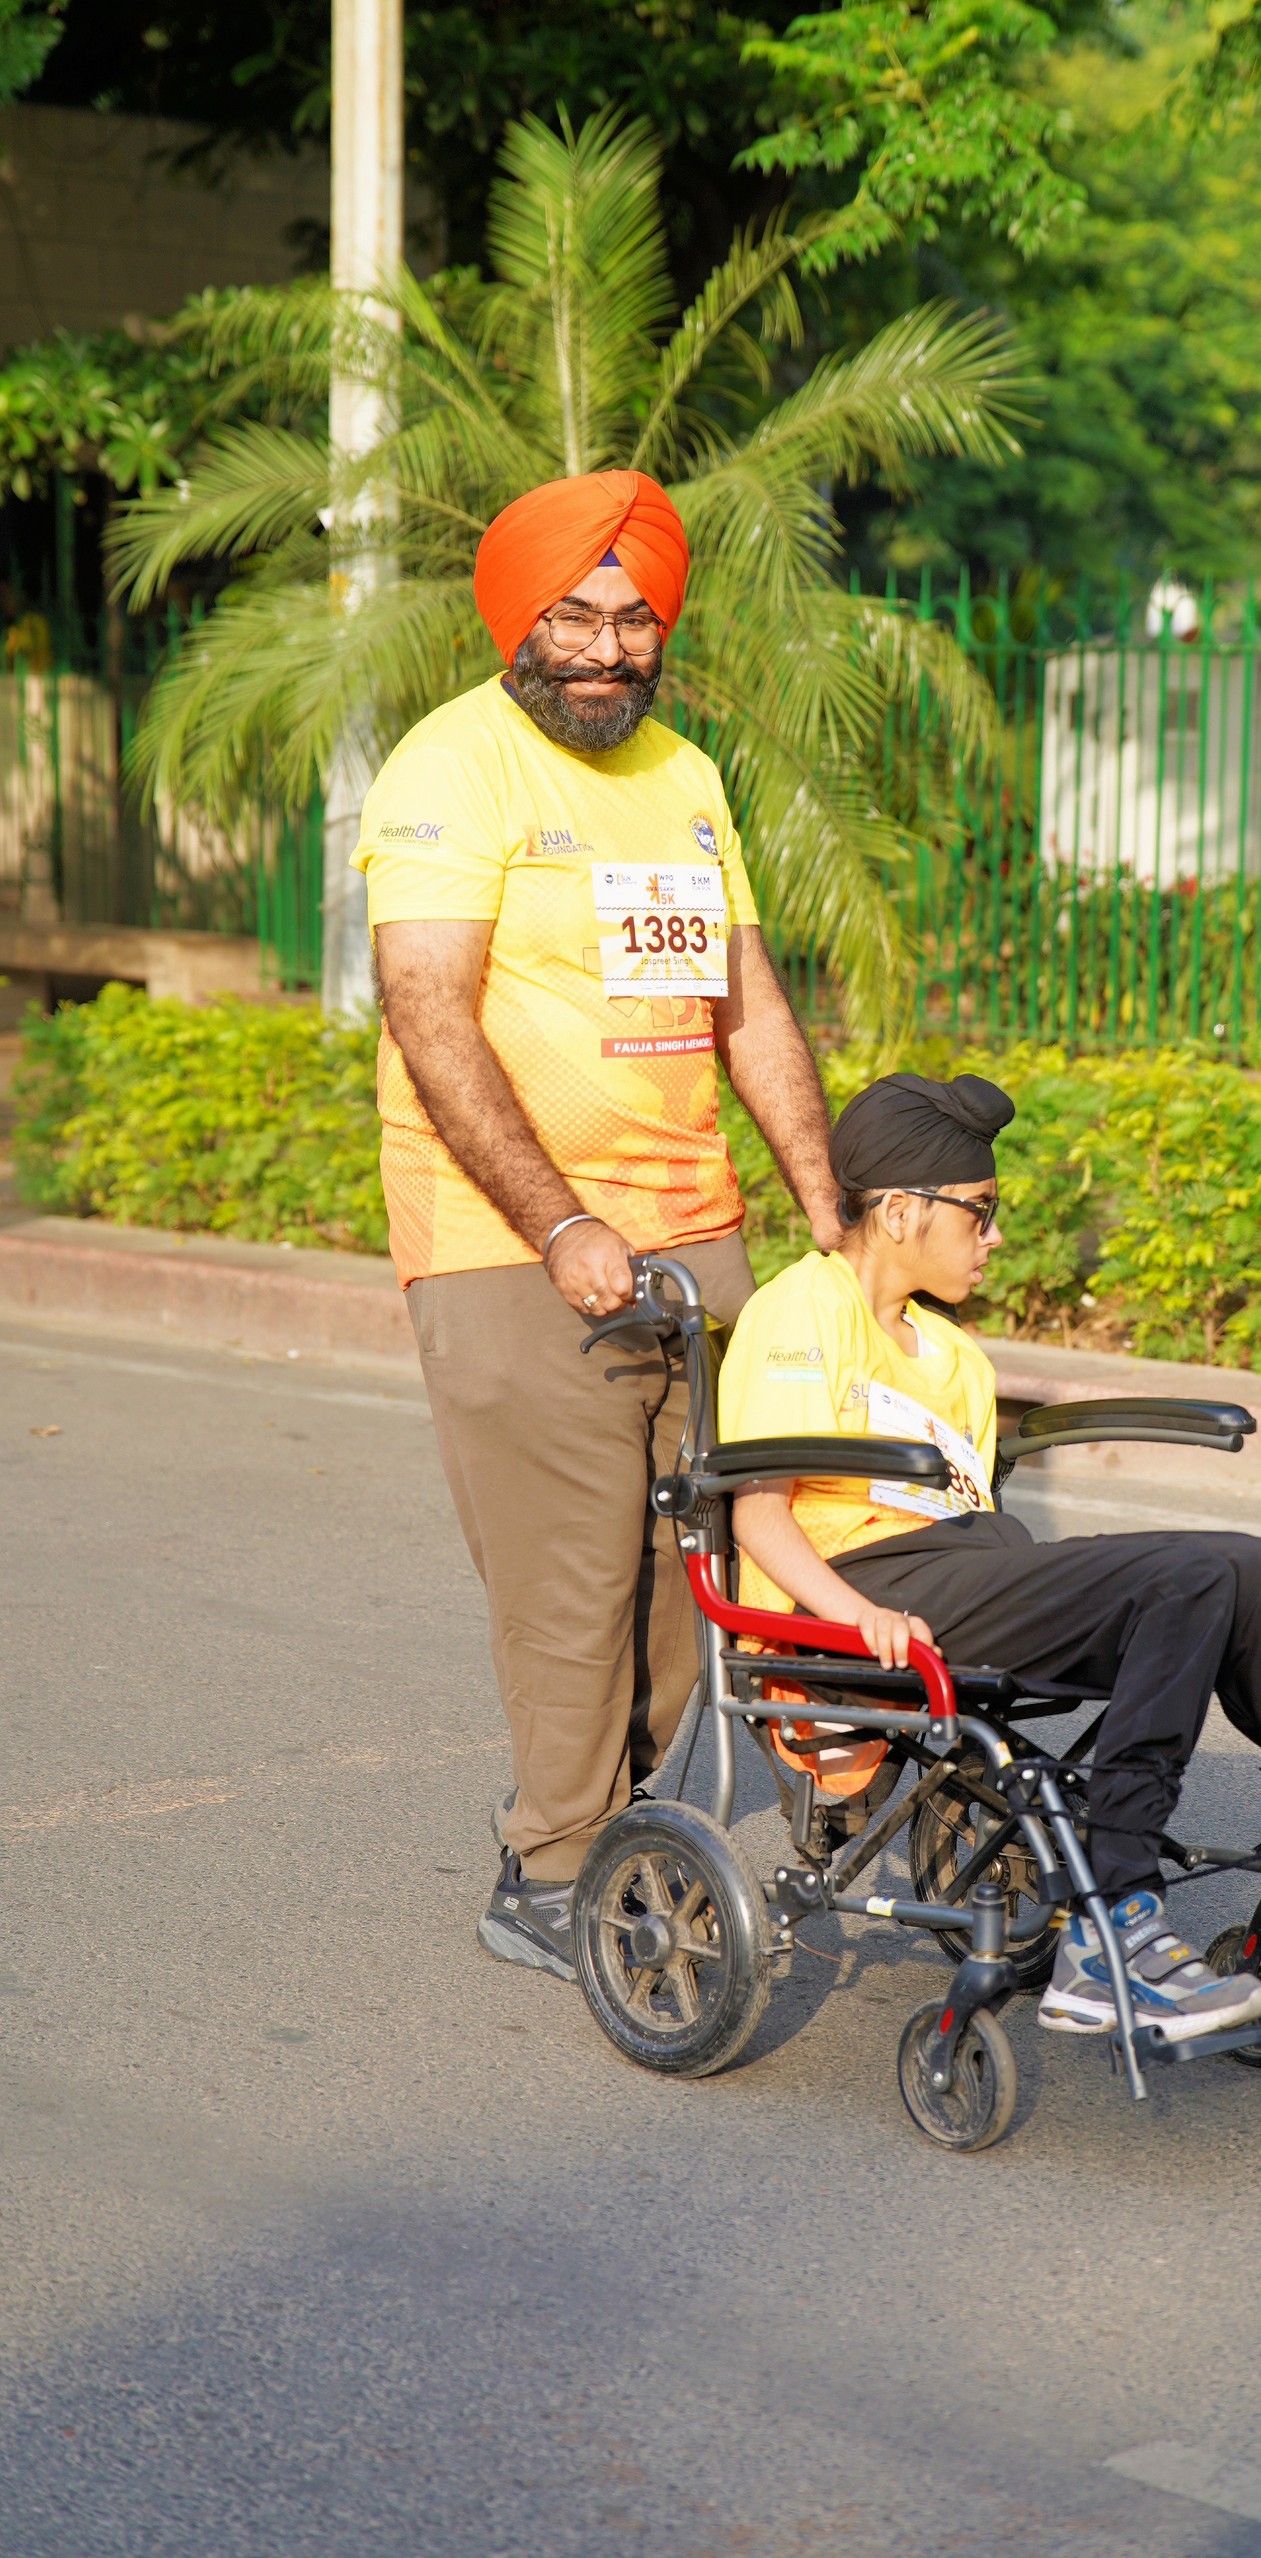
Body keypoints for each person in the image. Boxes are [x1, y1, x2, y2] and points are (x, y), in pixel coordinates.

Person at [716, 1071, 1261, 2043]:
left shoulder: (956, 1358)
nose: (995, 1235)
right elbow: (757, 1515)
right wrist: (854, 1614)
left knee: (1253, 1568)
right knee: (1190, 1576)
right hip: (867, 1590)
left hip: (969, 1575)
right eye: (980, 1211)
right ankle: (1110, 1919)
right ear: (902, 1210)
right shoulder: (801, 1310)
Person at [353, 468, 843, 1981]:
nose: (605, 648)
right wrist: (560, 1220)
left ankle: (631, 1830)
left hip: (692, 1226)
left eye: (633, 620)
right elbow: (429, 1013)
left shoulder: (685, 774)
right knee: (571, 1580)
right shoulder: (454, 766)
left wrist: (830, 1215)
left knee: (703, 1570)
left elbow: (746, 1002)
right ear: (520, 617)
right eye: (573, 616)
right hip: (510, 1238)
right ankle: (553, 1862)